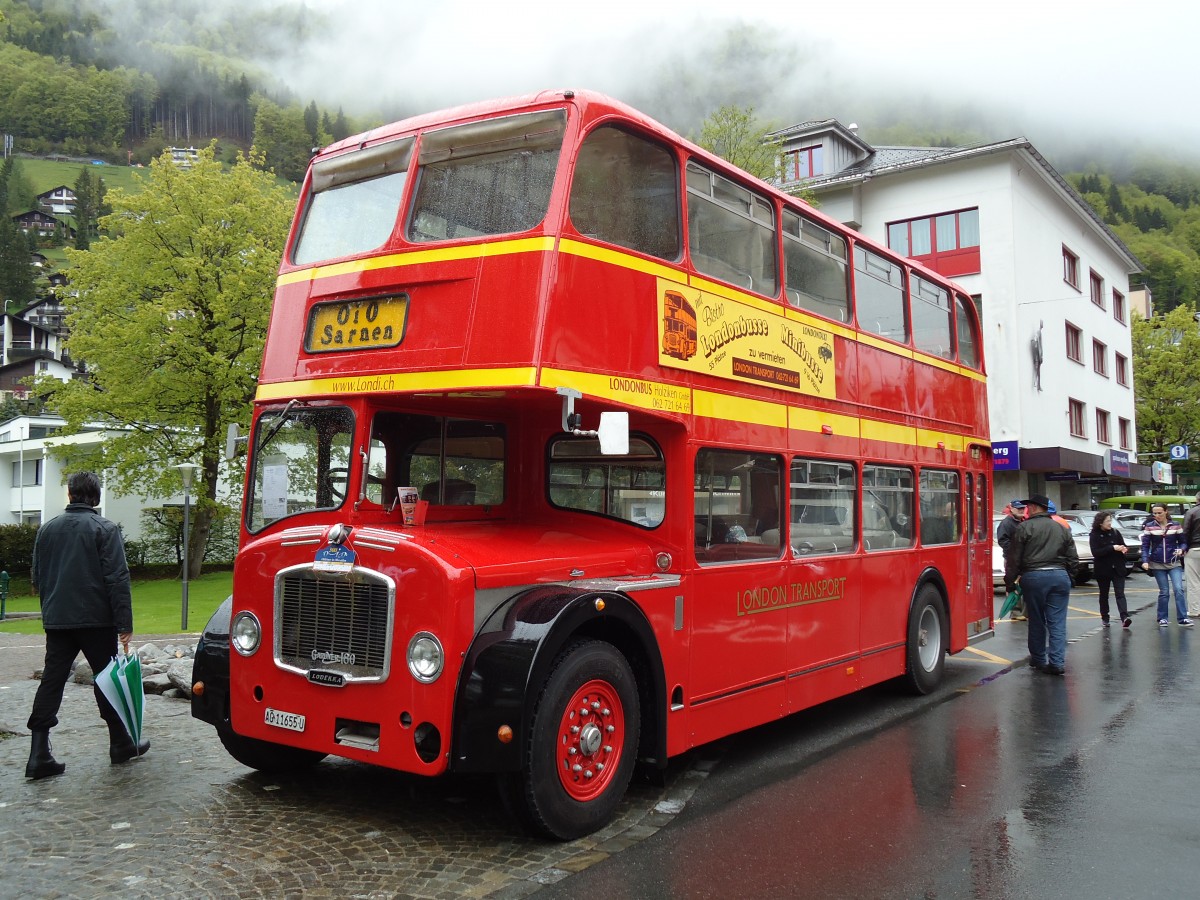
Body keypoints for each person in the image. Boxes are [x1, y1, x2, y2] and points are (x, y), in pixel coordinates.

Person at [24, 472, 149, 780]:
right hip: (95, 618)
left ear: (70, 495)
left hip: (57, 619)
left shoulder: (46, 529)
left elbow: (36, 577)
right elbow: (117, 579)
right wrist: (124, 623)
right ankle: (120, 742)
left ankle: (38, 753)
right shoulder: (104, 528)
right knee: (106, 679)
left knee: (52, 680)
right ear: (96, 497)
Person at [1003, 493, 1078, 676]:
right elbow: (1073, 558)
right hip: (1059, 576)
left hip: (1034, 577)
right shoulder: (1061, 528)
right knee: (1057, 622)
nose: (1026, 509)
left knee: (1037, 620)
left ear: (1036, 508)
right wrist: (1070, 577)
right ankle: (1057, 663)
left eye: (1028, 506)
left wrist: (1010, 582)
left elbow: (1014, 558)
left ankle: (1038, 659)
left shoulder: (1024, 528)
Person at [1141, 503, 1191, 628]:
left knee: (1179, 589)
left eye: (1159, 513)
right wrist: (1145, 560)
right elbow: (1145, 546)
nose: (1157, 515)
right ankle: (1162, 618)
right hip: (1157, 563)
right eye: (1155, 513)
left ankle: (1183, 618)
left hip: (1174, 562)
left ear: (1166, 512)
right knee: (1164, 592)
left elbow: (1184, 542)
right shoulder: (1149, 526)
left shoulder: (1176, 525)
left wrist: (1181, 549)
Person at [1089, 510, 1131, 628]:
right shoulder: (1094, 535)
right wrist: (1112, 547)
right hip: (1103, 569)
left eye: (1110, 520)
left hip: (1117, 568)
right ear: (1100, 523)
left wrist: (1123, 549)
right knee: (1104, 594)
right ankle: (1105, 617)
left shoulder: (1115, 532)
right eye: (1107, 521)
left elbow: (1123, 545)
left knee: (1120, 593)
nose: (1109, 523)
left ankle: (1125, 617)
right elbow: (1096, 552)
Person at [996, 500, 1028, 620]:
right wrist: (1015, 551)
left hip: (1023, 558)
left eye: (1022, 508)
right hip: (1012, 560)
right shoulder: (1006, 523)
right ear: (1012, 509)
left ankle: (1025, 612)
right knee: (1013, 585)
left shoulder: (1023, 521)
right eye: (1018, 508)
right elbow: (1003, 540)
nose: (1021, 510)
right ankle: (1015, 612)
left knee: (1024, 585)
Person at [1182, 491, 1200, 620]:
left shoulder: (1192, 512)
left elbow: (1186, 532)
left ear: (1197, 499)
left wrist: (1184, 547)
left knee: (1193, 581)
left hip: (1194, 548)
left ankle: (1194, 610)